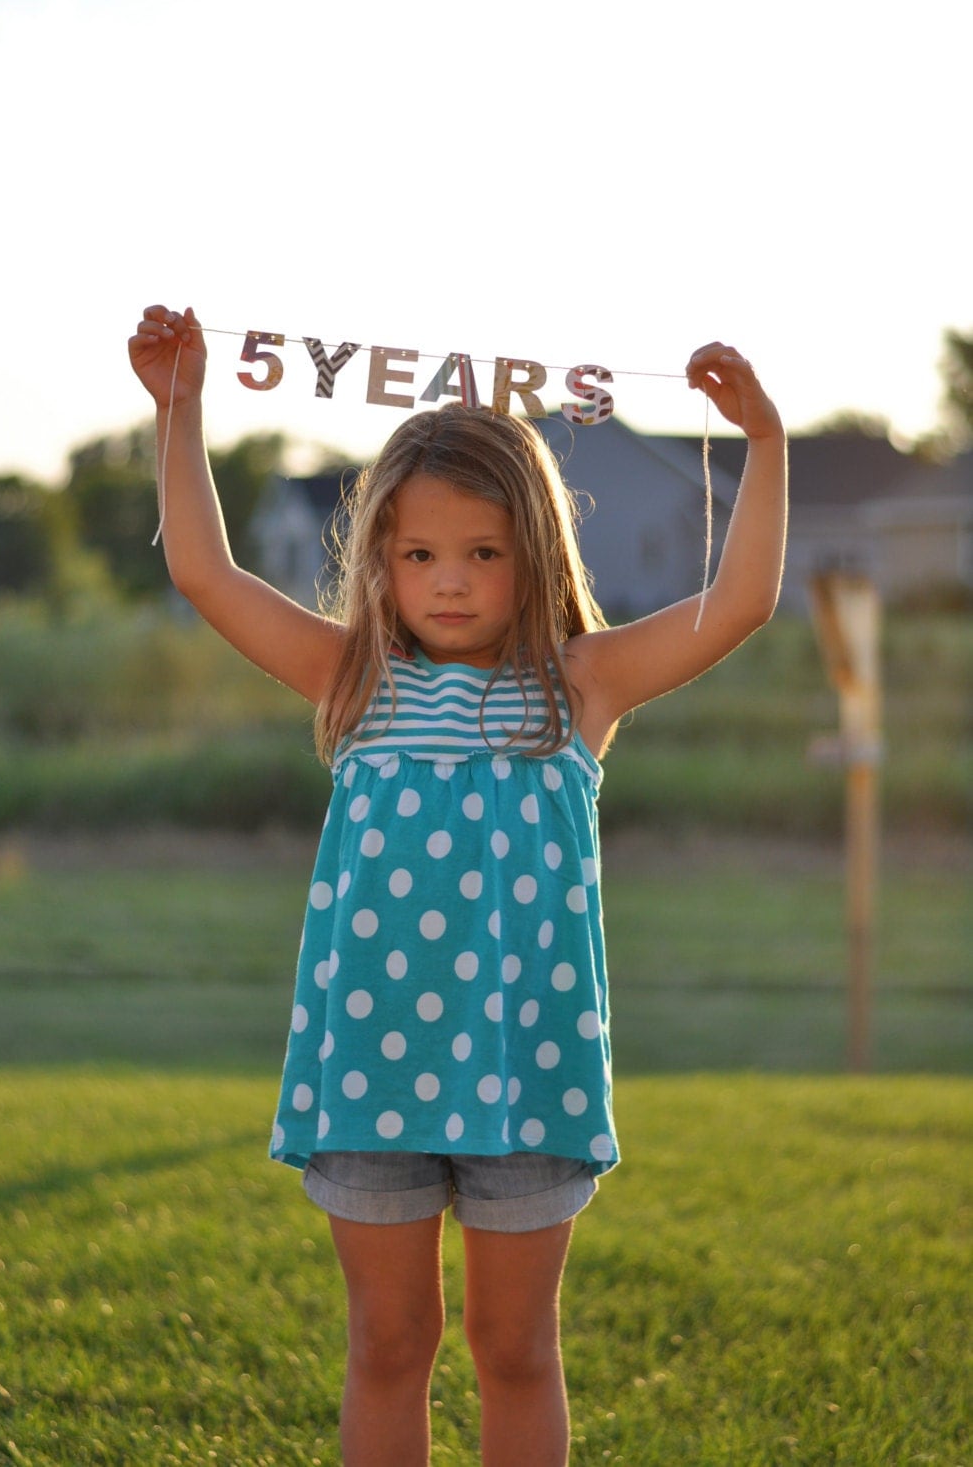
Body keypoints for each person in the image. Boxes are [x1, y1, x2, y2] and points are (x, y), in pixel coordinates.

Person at [128, 305, 787, 1467]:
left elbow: (737, 606)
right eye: (419, 554)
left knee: (516, 1348)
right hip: (369, 1071)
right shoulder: (353, 680)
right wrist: (180, 410)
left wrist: (765, 446)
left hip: (528, 1073)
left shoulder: (580, 685)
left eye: (483, 553)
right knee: (388, 1343)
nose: (448, 581)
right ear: (381, 557)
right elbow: (202, 570)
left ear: (535, 553)